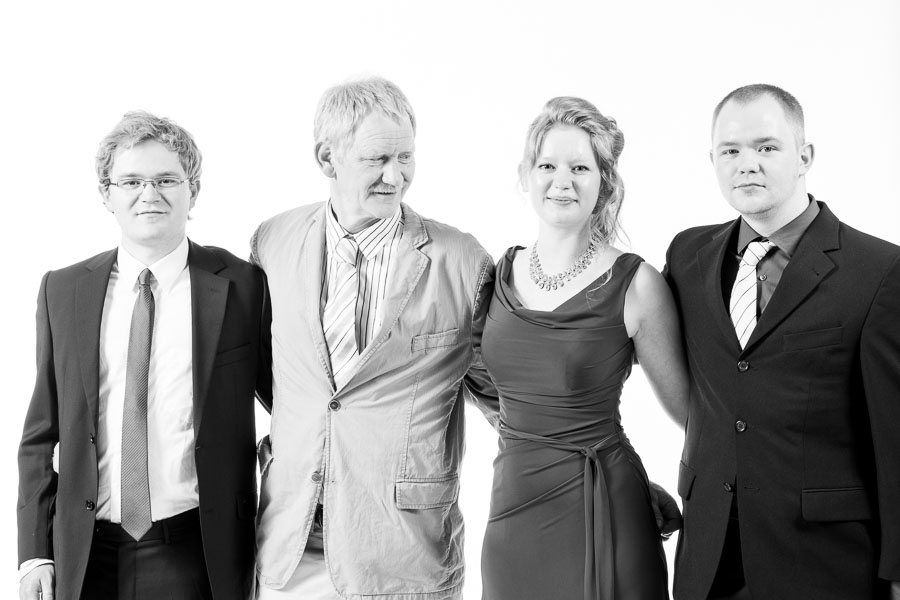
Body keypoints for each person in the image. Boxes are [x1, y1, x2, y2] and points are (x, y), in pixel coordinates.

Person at [250, 77, 499, 599]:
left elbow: (506, 401)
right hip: (290, 543)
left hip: (403, 552)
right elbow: (272, 375)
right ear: (327, 158)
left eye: (406, 157)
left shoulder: (462, 262)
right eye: (377, 159)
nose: (396, 175)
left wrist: (604, 484)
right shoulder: (272, 241)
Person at [17, 111, 272, 600]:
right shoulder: (63, 290)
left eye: (166, 180)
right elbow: (39, 435)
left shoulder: (242, 285)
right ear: (106, 194)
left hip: (197, 548)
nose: (149, 194)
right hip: (84, 552)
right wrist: (35, 553)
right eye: (131, 181)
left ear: (193, 190)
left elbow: (288, 401)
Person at [665, 84, 900, 599]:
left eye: (766, 147)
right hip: (708, 555)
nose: (746, 164)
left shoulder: (879, 271)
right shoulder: (687, 255)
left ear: (804, 157)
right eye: (730, 150)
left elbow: (895, 439)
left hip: (823, 562)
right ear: (712, 161)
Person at [479, 96, 688, 600]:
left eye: (580, 167)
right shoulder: (497, 273)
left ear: (604, 182)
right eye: (547, 165)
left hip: (604, 507)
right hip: (510, 512)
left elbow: (693, 415)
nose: (562, 181)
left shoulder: (637, 285)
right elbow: (497, 392)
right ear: (526, 174)